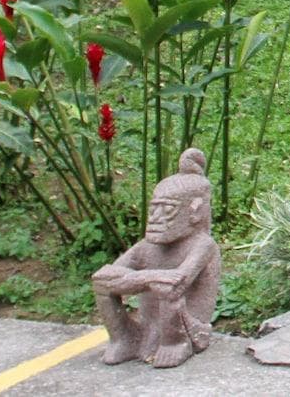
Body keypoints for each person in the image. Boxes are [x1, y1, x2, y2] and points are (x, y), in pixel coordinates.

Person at [93, 148, 222, 368]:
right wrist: (150, 278)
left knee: (167, 290)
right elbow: (102, 277)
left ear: (195, 211)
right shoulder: (148, 247)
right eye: (153, 210)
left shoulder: (203, 245)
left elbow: (176, 284)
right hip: (150, 325)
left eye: (167, 210)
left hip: (190, 327)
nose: (155, 218)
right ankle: (124, 338)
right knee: (105, 287)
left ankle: (175, 343)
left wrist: (135, 280)